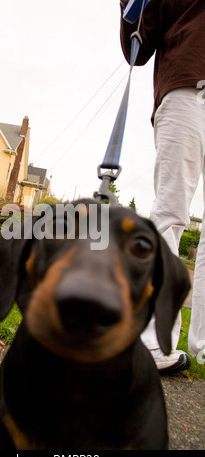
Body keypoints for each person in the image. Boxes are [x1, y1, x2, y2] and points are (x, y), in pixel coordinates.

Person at [119, 0, 205, 372]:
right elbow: (138, 46)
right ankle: (155, 341)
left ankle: (203, 346)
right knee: (170, 212)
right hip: (188, 87)